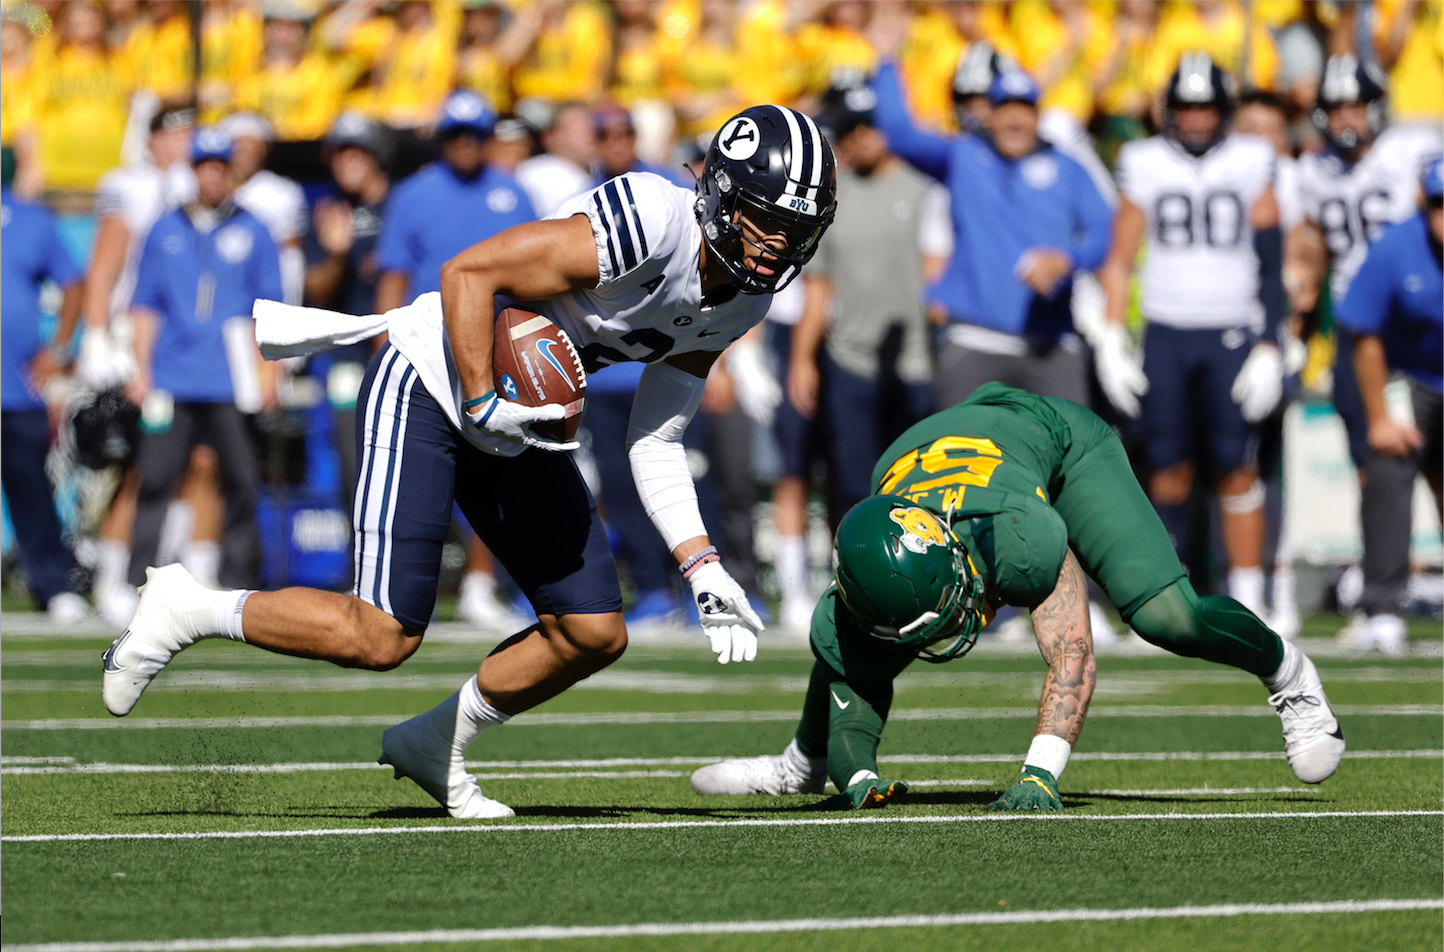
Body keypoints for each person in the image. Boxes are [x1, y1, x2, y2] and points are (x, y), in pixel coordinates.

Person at [103, 105, 838, 823]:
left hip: (521, 418)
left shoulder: (744, 301)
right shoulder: (651, 220)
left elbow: (655, 438)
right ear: (718, 198)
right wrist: (485, 403)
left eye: (796, 230)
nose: (777, 245)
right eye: (764, 219)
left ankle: (435, 744)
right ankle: (187, 607)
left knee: (591, 631)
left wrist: (703, 566)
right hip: (435, 381)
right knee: (380, 633)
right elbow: (468, 274)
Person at [691, 383, 1346, 810]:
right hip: (943, 463)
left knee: (1164, 615)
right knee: (863, 644)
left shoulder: (1015, 539)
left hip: (1059, 448)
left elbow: (1074, 654)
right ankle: (798, 763)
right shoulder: (867, 574)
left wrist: (1041, 768)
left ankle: (1289, 674)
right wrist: (854, 772)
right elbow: (848, 666)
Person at [1095, 55, 1286, 619]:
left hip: (1231, 328)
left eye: (1206, 108)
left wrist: (1271, 342)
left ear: (1225, 111)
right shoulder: (1143, 161)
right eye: (1186, 108)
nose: (1198, 119)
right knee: (1168, 467)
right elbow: (1120, 258)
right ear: (1168, 112)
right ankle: (1165, 594)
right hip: (1167, 330)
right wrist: (1111, 334)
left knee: (1236, 466)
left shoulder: (1253, 159)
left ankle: (1249, 594)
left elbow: (1272, 262)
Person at [1290, 53, 1441, 645]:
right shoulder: (1313, 170)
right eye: (1335, 106)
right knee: (1376, 468)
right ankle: (1385, 591)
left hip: (1421, 318)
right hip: (1364, 334)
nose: (1346, 117)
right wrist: (1296, 315)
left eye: (1355, 103)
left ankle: (1401, 586)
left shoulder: (1409, 151)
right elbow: (1308, 247)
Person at [870, 56, 1114, 409]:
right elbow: (898, 133)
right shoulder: (963, 158)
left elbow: (1105, 233)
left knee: (1072, 457)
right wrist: (888, 60)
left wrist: (1067, 260)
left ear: (1038, 114)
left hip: (1052, 342)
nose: (1015, 119)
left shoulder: (1067, 167)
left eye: (1025, 108)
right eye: (1004, 108)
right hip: (975, 341)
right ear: (990, 115)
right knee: (962, 457)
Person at [122, 128, 282, 594]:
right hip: (171, 375)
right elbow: (145, 304)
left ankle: (236, 583)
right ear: (192, 170)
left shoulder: (254, 229)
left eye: (221, 165)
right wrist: (141, 369)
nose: (213, 174)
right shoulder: (164, 228)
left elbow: (267, 310)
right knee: (154, 479)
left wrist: (270, 373)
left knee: (242, 480)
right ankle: (136, 583)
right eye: (204, 165)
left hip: (232, 378)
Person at [791, 80, 935, 526]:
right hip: (850, 359)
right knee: (854, 485)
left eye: (869, 126)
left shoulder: (923, 190)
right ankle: (856, 586)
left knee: (917, 485)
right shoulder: (835, 198)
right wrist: (802, 359)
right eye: (851, 129)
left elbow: (938, 272)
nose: (861, 137)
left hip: (914, 363)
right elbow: (818, 288)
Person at [1332, 159, 1443, 655]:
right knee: (1388, 472)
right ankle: (1381, 608)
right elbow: (1364, 332)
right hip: (1405, 375)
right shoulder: (1396, 247)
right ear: (1425, 205)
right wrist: (1380, 417)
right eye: (1440, 205)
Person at [1, 151, 88, 623]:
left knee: (32, 491)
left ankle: (54, 585)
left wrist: (56, 352)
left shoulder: (31, 220)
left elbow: (72, 283)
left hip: (16, 388)